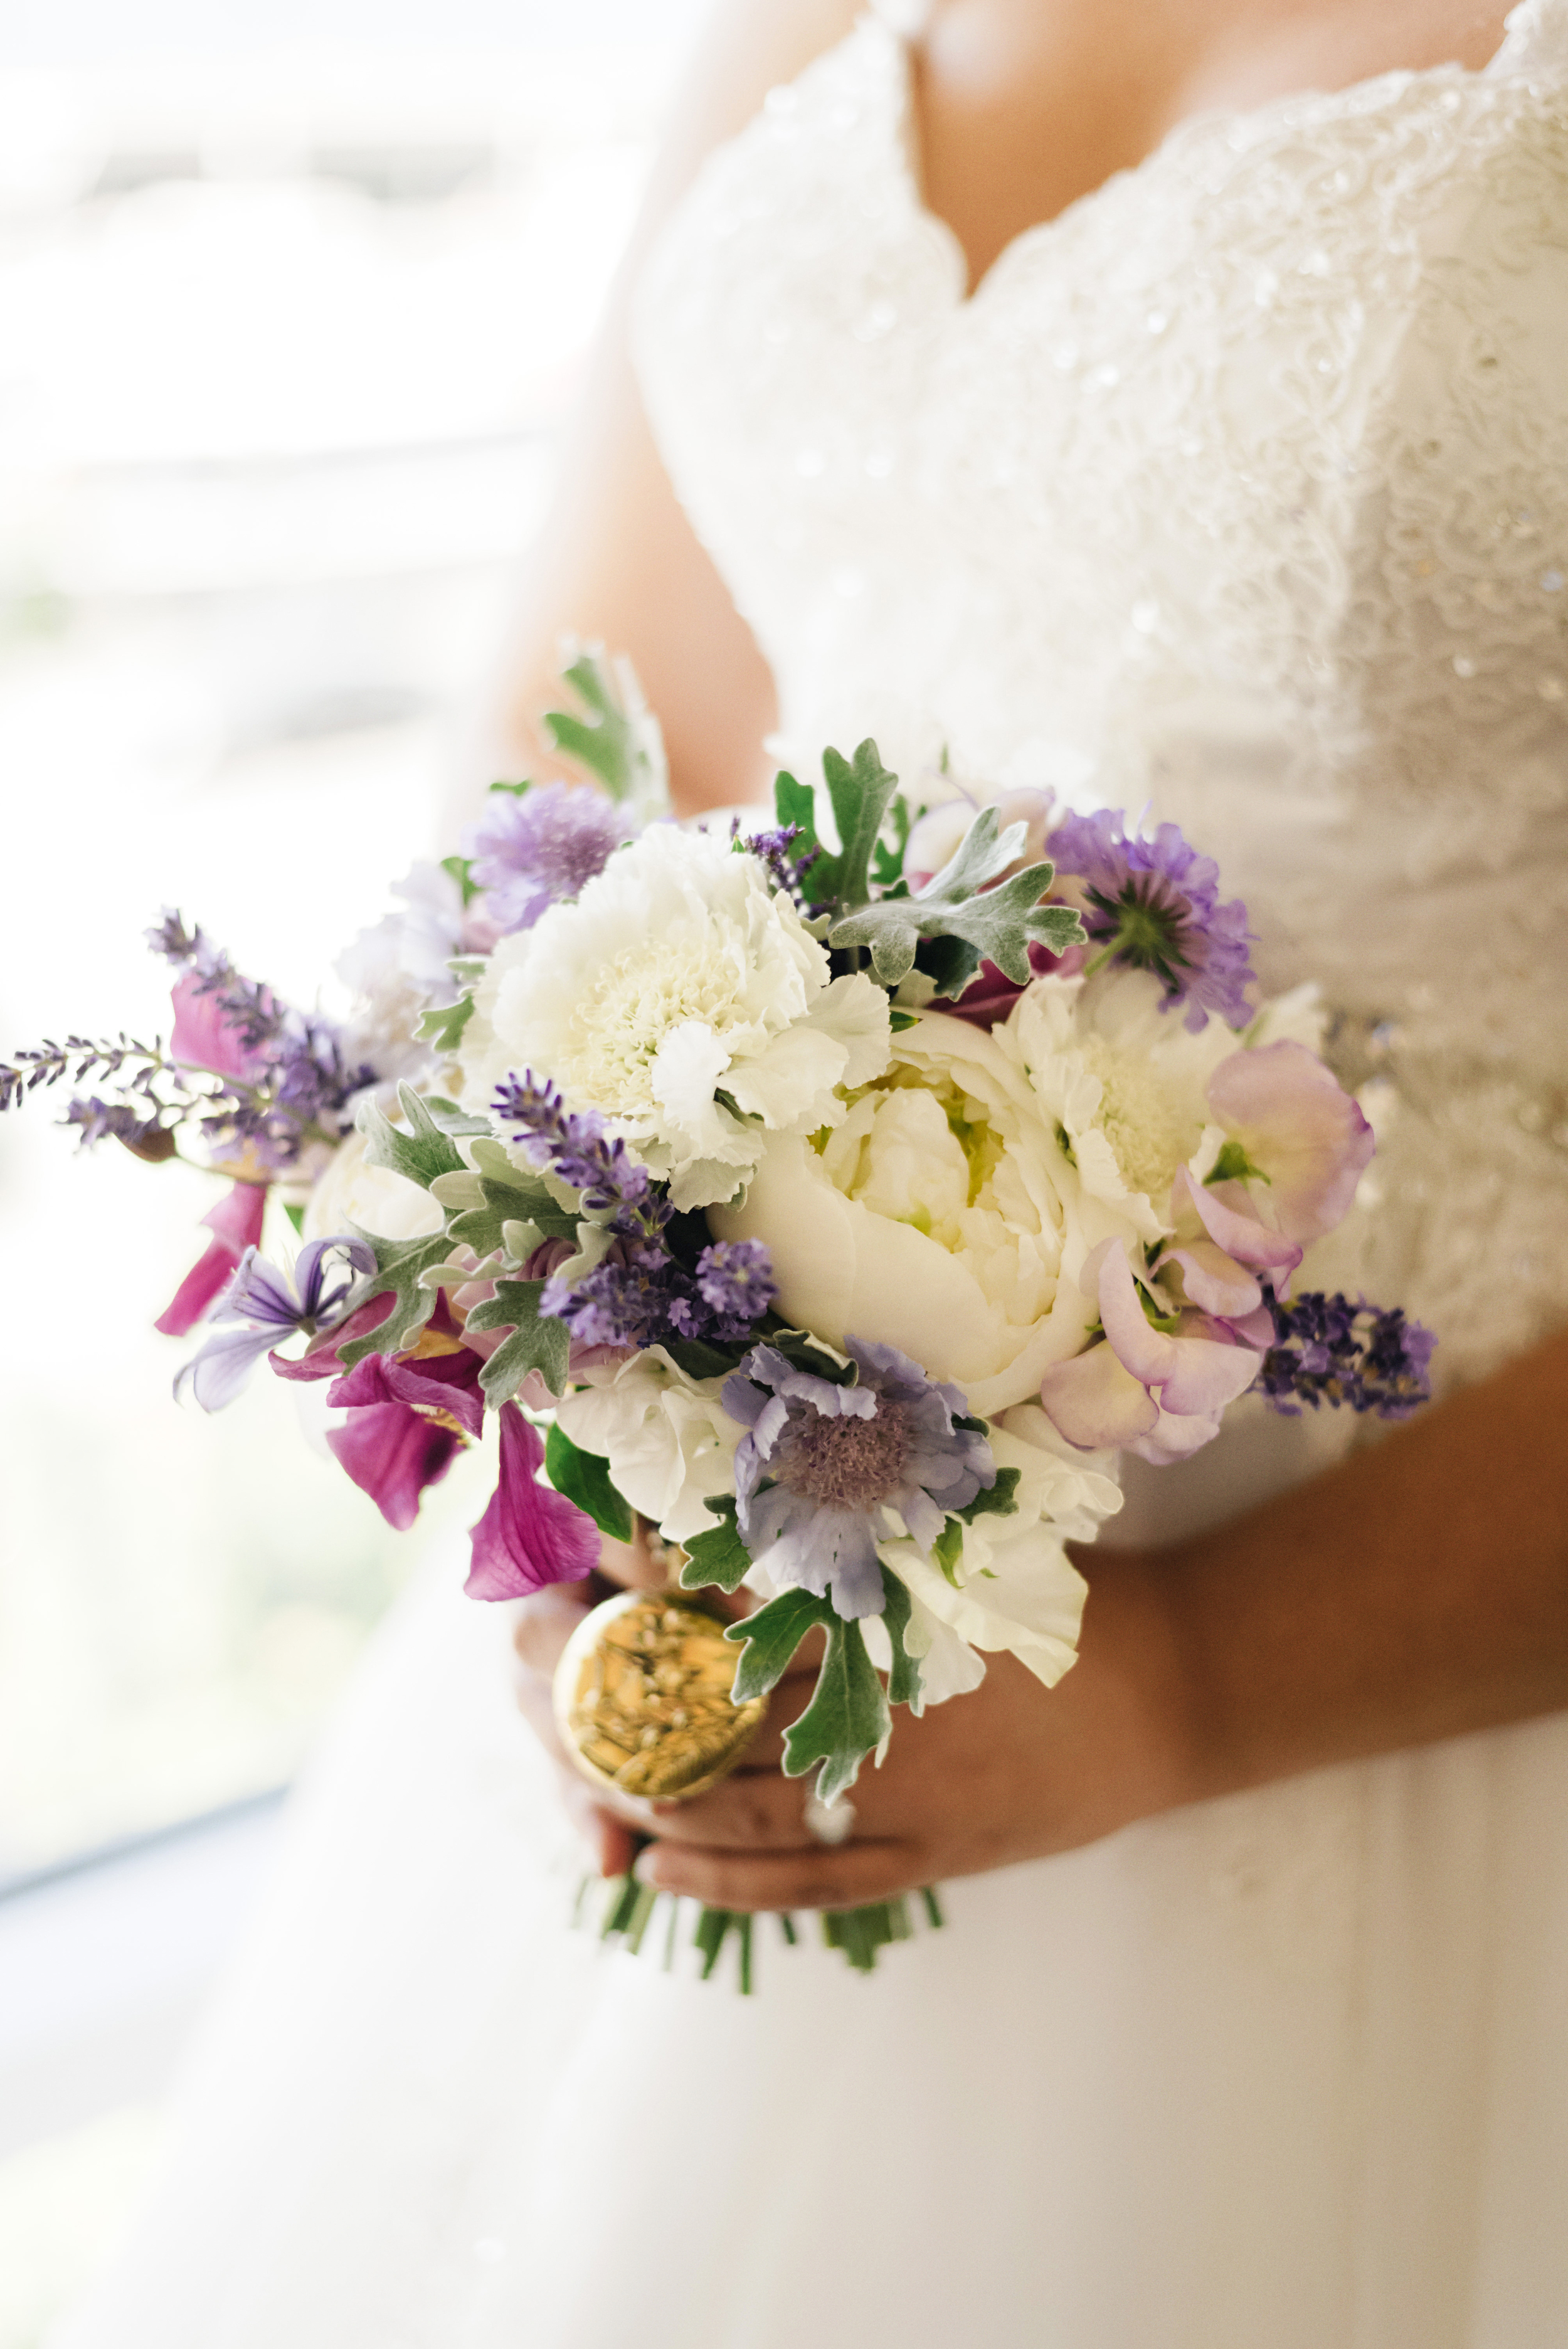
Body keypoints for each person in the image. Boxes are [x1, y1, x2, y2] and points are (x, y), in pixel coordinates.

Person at [54, 2, 1568, 2343]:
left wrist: (1183, 1677)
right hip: (774, 1573)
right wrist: (561, 1373)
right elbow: (605, 734)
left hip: (1426, 1697)